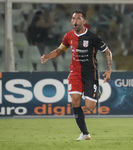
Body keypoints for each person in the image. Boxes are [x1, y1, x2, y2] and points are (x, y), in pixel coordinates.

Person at [41, 10, 112, 140]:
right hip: (75, 73)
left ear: (84, 21)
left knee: (90, 107)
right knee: (75, 100)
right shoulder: (68, 36)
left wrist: (109, 70)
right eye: (73, 18)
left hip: (91, 74)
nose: (75, 21)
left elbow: (107, 52)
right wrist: (47, 56)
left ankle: (96, 92)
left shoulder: (93, 37)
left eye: (78, 18)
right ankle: (85, 133)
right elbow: (59, 51)